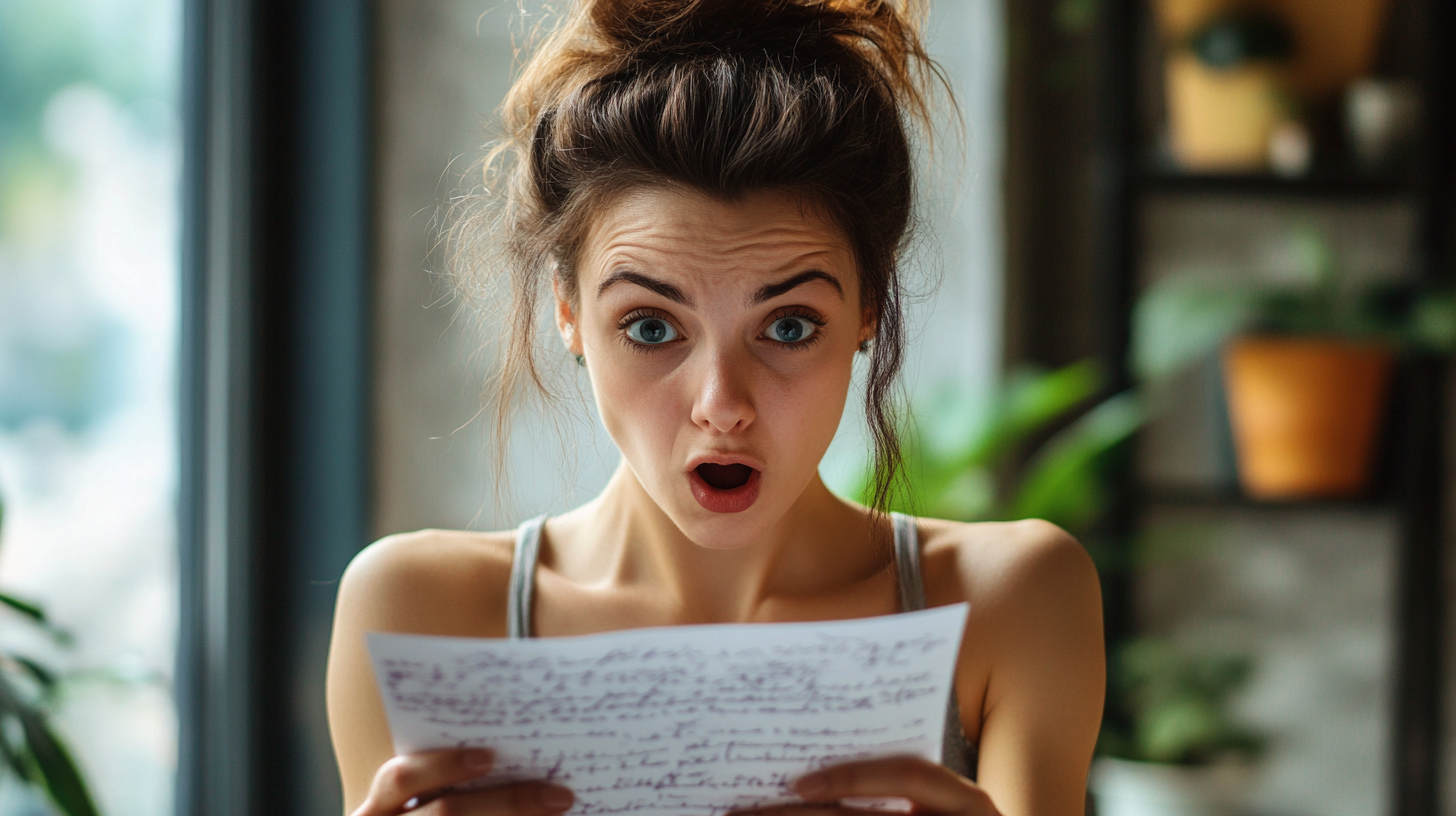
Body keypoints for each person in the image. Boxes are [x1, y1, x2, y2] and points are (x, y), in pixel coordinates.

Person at [326, 1, 1104, 815]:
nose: (721, 405)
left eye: (789, 326)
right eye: (652, 326)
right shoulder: (422, 613)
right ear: (568, 311)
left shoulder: (1008, 603)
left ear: (869, 306)